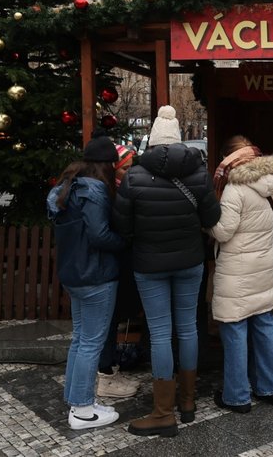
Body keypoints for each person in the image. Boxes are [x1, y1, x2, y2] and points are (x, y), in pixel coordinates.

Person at [113, 106, 220, 437]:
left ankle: (163, 412)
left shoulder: (134, 176)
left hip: (149, 264)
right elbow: (211, 219)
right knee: (187, 328)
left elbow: (121, 225)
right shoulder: (199, 173)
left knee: (160, 333)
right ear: (178, 140)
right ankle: (187, 403)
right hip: (190, 262)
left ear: (152, 141)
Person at [46, 133, 126, 431]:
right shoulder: (95, 191)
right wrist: (124, 242)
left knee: (80, 339)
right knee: (91, 342)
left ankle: (76, 399)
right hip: (96, 275)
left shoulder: (68, 187)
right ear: (107, 165)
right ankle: (82, 410)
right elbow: (99, 234)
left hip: (73, 273)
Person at [209, 135, 273, 414]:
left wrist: (207, 222)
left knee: (235, 328)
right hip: (262, 267)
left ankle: (237, 396)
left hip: (237, 272)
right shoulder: (271, 186)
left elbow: (223, 231)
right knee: (265, 323)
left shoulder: (234, 190)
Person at [95, 144, 141, 400]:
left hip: (118, 266)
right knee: (107, 321)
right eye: (125, 167)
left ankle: (110, 368)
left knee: (112, 319)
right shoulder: (106, 194)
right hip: (109, 267)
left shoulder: (115, 190)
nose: (130, 171)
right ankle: (106, 375)